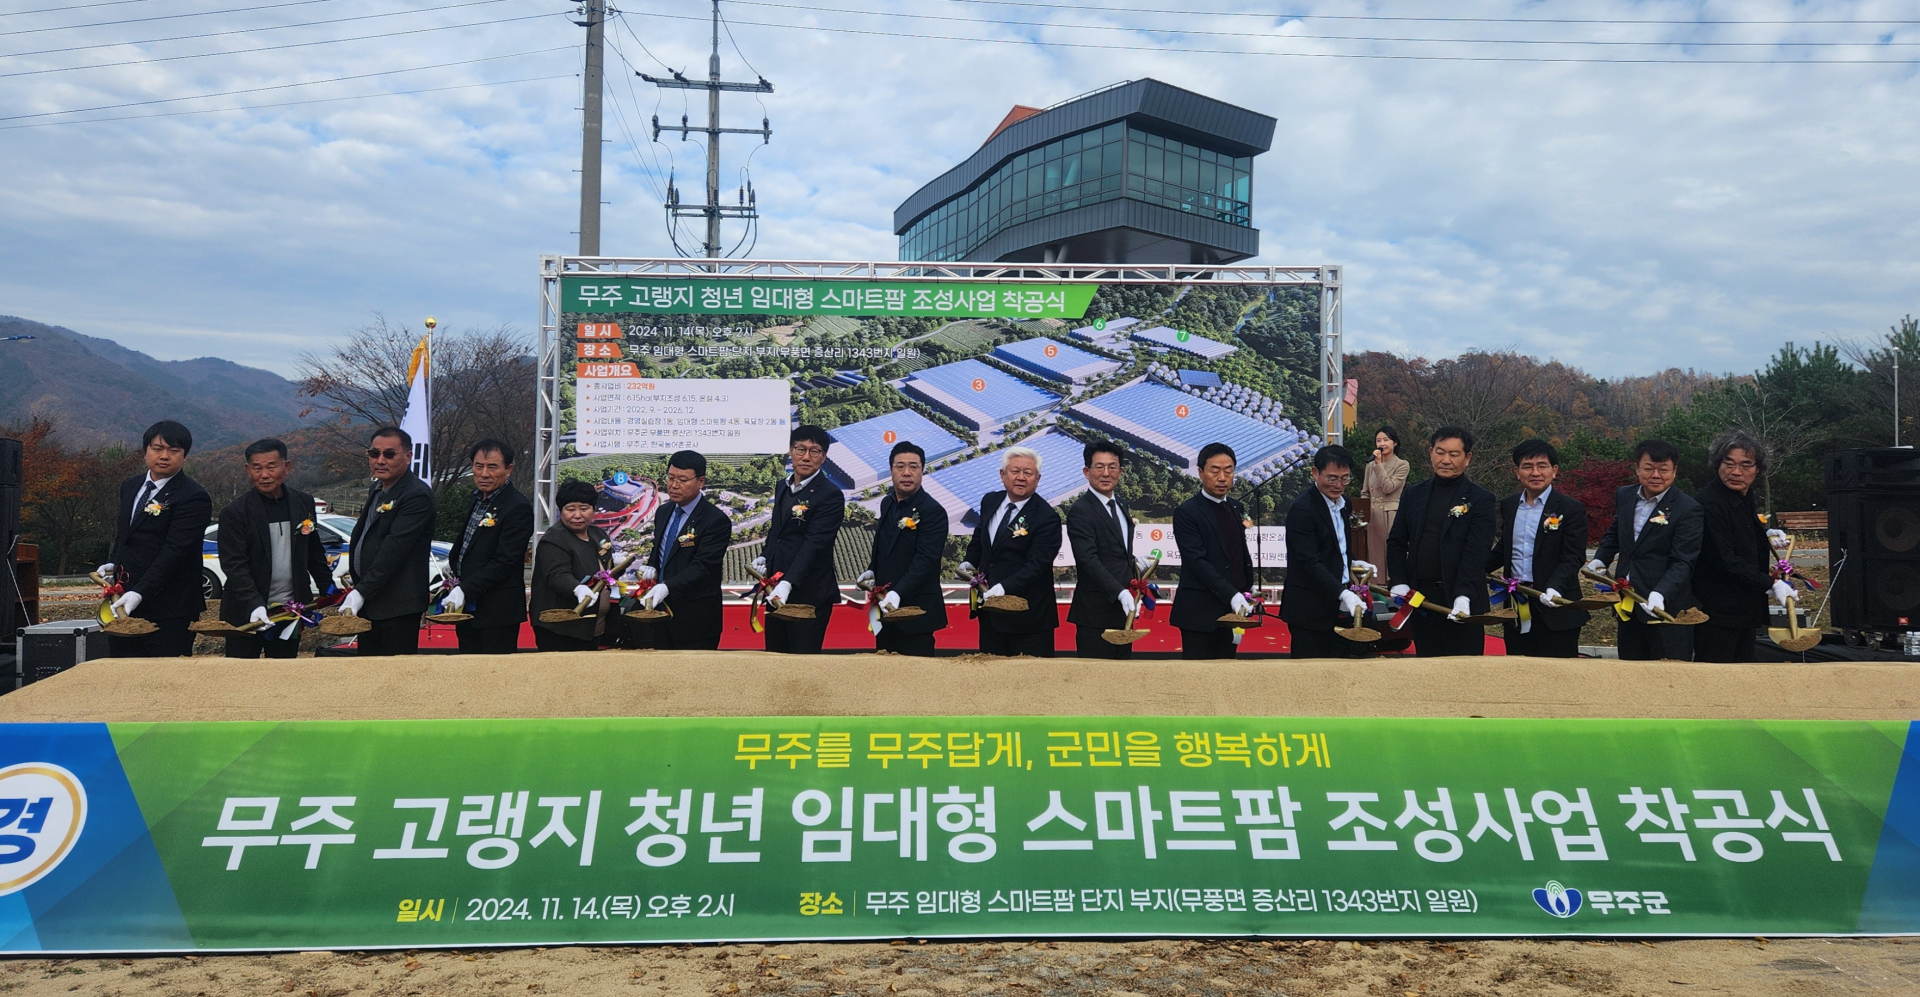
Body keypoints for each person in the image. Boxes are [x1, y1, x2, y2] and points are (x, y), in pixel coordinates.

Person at [100, 420, 213, 657]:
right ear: (145, 451)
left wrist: (140, 592)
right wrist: (114, 562)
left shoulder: (194, 496)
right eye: (157, 448)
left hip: (170, 605)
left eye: (174, 451)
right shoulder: (130, 486)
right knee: (121, 671)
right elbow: (124, 533)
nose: (164, 456)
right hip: (123, 600)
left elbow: (176, 551)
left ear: (184, 456)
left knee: (163, 677)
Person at [215, 439, 336, 659]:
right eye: (257, 468)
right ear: (247, 470)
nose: (264, 475)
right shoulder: (234, 512)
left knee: (283, 675)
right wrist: (254, 604)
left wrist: (329, 588)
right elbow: (234, 565)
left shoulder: (303, 503)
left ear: (286, 467)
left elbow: (314, 552)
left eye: (271, 467)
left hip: (290, 610)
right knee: (239, 676)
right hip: (245, 611)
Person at [1385, 426, 1498, 657]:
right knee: (1427, 667)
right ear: (1430, 452)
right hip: (1422, 600)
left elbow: (1476, 552)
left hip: (1461, 602)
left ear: (1467, 458)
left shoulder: (1481, 499)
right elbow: (1396, 542)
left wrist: (1463, 595)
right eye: (1440, 452)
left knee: (1464, 671)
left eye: (1454, 454)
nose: (1446, 460)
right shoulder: (1414, 494)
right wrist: (1398, 580)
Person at [1591, 439, 1704, 661]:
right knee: (1631, 673)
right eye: (1649, 468)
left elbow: (1683, 561)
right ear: (1637, 468)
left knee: (1668, 675)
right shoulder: (1624, 495)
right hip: (1628, 602)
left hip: (1665, 608)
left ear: (1674, 471)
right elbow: (1615, 533)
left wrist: (1661, 592)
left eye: (1663, 470)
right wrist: (1600, 559)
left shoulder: (1688, 508)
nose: (1656, 475)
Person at [1489, 439, 1590, 659]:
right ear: (1517, 472)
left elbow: (1573, 556)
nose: (1535, 472)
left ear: (1554, 471)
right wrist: (1473, 567)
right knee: (1520, 672)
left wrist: (1555, 587)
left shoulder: (1570, 508)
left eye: (1542, 466)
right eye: (1528, 466)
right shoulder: (1509, 505)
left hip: (1556, 606)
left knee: (1558, 677)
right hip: (1517, 605)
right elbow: (1505, 548)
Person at [342, 425, 438, 655]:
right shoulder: (377, 488)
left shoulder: (416, 495)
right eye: (374, 454)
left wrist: (361, 591)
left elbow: (394, 549)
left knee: (394, 677)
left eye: (389, 454)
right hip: (371, 601)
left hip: (397, 606)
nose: (380, 460)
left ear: (408, 456)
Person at [1693, 431, 1786, 663]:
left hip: (1745, 609)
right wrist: (1770, 583)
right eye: (1729, 463)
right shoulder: (1709, 503)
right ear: (1717, 465)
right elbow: (1724, 559)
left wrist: (1765, 536)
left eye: (1746, 465)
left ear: (1758, 469)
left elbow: (1739, 537)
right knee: (1717, 681)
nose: (1736, 472)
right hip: (1718, 612)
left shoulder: (1744, 495)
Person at [963, 446, 1062, 657]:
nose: (1021, 478)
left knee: (1028, 684)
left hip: (1028, 618)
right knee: (991, 678)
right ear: (1002, 475)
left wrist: (1003, 587)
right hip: (990, 613)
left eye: (1028, 473)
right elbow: (980, 540)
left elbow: (1037, 565)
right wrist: (968, 564)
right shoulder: (990, 501)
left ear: (1038, 478)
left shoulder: (1047, 517)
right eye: (1015, 471)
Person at [755, 426, 844, 654]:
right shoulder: (782, 487)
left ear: (823, 457)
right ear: (790, 450)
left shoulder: (830, 494)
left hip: (809, 592)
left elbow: (815, 543)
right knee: (775, 656)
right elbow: (778, 531)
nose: (806, 457)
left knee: (802, 663)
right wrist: (766, 556)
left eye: (814, 451)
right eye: (800, 449)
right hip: (776, 591)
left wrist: (788, 583)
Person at [632, 450, 732, 650]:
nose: (674, 485)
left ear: (701, 481)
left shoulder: (715, 520)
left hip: (695, 619)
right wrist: (651, 568)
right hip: (659, 614)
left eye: (682, 480)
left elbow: (703, 566)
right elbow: (660, 551)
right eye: (670, 478)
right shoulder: (664, 511)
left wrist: (667, 586)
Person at [443, 439, 534, 655]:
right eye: (478, 466)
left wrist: (464, 589)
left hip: (497, 611)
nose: (484, 473)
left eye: (492, 467)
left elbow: (505, 561)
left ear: (508, 469)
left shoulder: (517, 507)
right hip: (467, 607)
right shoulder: (476, 498)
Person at [1168, 443, 1257, 660]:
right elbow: (1197, 562)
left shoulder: (1235, 507)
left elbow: (1236, 555)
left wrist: (1246, 589)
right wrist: (1232, 594)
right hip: (1200, 614)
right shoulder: (1187, 512)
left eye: (1228, 471)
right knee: (1198, 679)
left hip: (1232, 611)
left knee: (1227, 674)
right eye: (1215, 471)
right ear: (1200, 473)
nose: (1222, 477)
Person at [1280, 445, 1370, 659]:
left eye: (1345, 479)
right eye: (1332, 478)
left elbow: (1337, 547)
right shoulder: (1302, 509)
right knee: (1310, 675)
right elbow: (1309, 562)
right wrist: (1343, 593)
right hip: (1309, 609)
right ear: (1315, 472)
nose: (1339, 485)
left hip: (1337, 609)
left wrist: (1354, 562)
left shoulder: (1345, 503)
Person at [866, 441, 949, 657]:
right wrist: (871, 569)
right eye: (899, 466)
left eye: (913, 466)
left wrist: (897, 593)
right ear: (891, 470)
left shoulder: (933, 511)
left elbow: (926, 560)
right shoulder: (887, 503)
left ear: (923, 470)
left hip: (915, 613)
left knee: (916, 681)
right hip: (885, 609)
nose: (906, 473)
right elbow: (883, 546)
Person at [1065, 440, 1146, 659]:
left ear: (1120, 470)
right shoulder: (1080, 511)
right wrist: (1119, 592)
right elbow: (1087, 559)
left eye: (1112, 467)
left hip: (1123, 612)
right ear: (1086, 471)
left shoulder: (1121, 504)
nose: (1106, 473)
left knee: (1123, 679)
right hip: (1095, 613)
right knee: (1096, 682)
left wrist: (1135, 565)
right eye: (1099, 467)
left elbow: (1116, 551)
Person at [528, 479, 614, 651]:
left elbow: (607, 572)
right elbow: (558, 575)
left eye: (584, 508)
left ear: (593, 510)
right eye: (570, 509)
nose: (577, 515)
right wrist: (577, 588)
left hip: (592, 626)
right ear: (561, 511)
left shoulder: (598, 534)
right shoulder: (554, 538)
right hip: (561, 627)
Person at [1360, 425, 1408, 584]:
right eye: (1378, 440)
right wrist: (1363, 513)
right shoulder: (1370, 465)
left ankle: (1393, 586)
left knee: (1390, 554)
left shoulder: (1402, 465)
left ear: (1395, 443)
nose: (1382, 443)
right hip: (1373, 516)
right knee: (1374, 556)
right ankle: (1374, 588)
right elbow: (1365, 491)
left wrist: (1379, 465)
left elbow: (1388, 488)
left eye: (1386, 440)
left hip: (1391, 514)